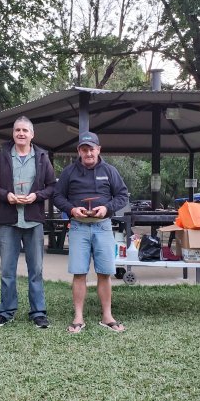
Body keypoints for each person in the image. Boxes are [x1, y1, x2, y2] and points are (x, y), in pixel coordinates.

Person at [53, 131, 128, 333]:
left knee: (105, 272)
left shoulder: (110, 171)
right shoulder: (69, 172)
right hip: (78, 226)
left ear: (98, 149)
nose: (88, 153)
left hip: (103, 226)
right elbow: (57, 196)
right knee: (79, 272)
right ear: (79, 151)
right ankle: (78, 317)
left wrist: (107, 208)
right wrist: (71, 209)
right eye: (84, 149)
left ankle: (107, 316)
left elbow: (122, 195)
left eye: (91, 149)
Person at [0, 116, 56, 328]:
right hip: (9, 220)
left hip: (33, 220)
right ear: (13, 133)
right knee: (7, 269)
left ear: (32, 134)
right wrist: (6, 196)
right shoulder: (3, 156)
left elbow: (52, 186)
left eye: (25, 130)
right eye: (17, 130)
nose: (21, 133)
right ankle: (6, 311)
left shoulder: (42, 157)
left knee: (36, 269)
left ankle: (38, 312)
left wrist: (37, 196)